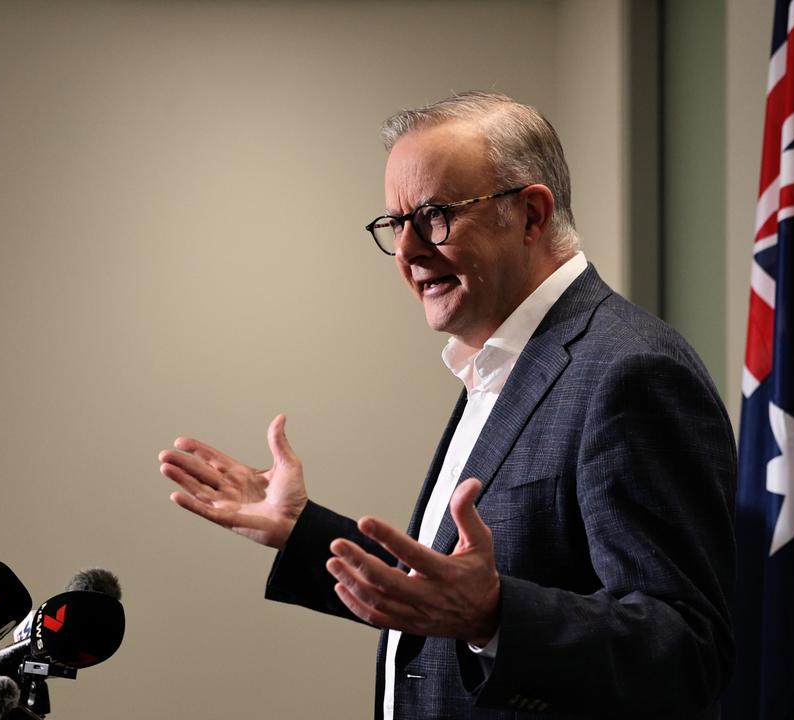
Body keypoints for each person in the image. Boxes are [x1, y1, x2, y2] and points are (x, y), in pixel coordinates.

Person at [157, 91, 736, 719]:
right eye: (393, 224)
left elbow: (686, 651)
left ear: (531, 215)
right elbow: (449, 592)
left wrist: (494, 616)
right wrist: (304, 532)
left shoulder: (630, 371)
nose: (406, 251)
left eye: (435, 214)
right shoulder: (499, 363)